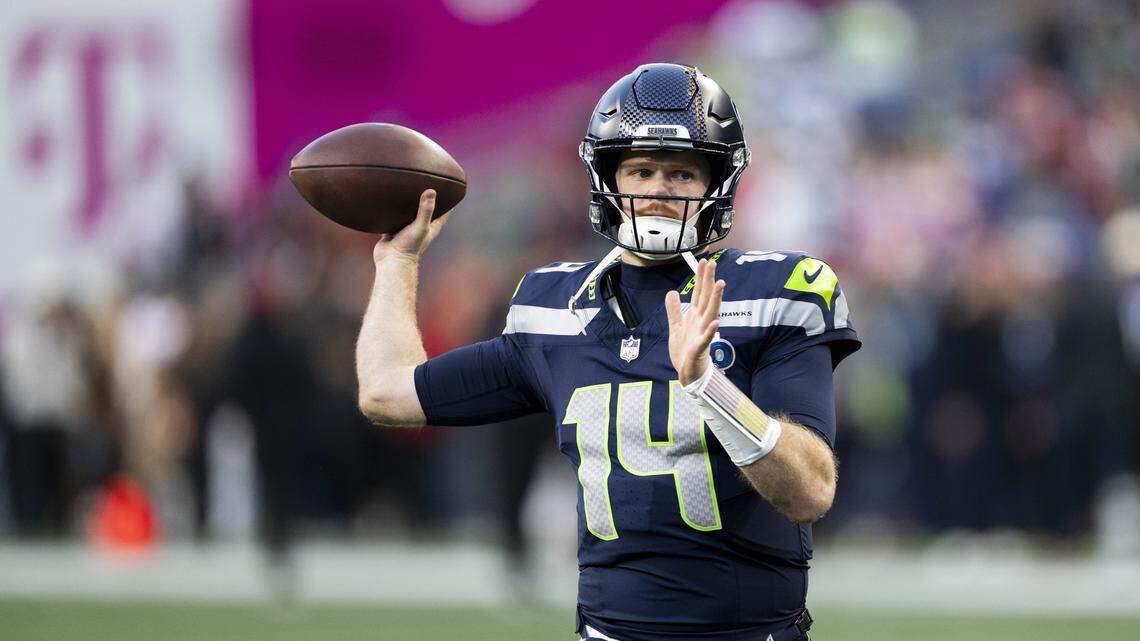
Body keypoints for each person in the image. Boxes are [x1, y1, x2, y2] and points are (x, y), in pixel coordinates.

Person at [356, 63, 860, 641]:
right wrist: (398, 262)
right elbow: (387, 392)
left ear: (716, 183)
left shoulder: (774, 292)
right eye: (641, 170)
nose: (658, 190)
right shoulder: (554, 308)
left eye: (681, 173)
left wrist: (708, 387)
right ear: (606, 180)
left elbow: (811, 491)